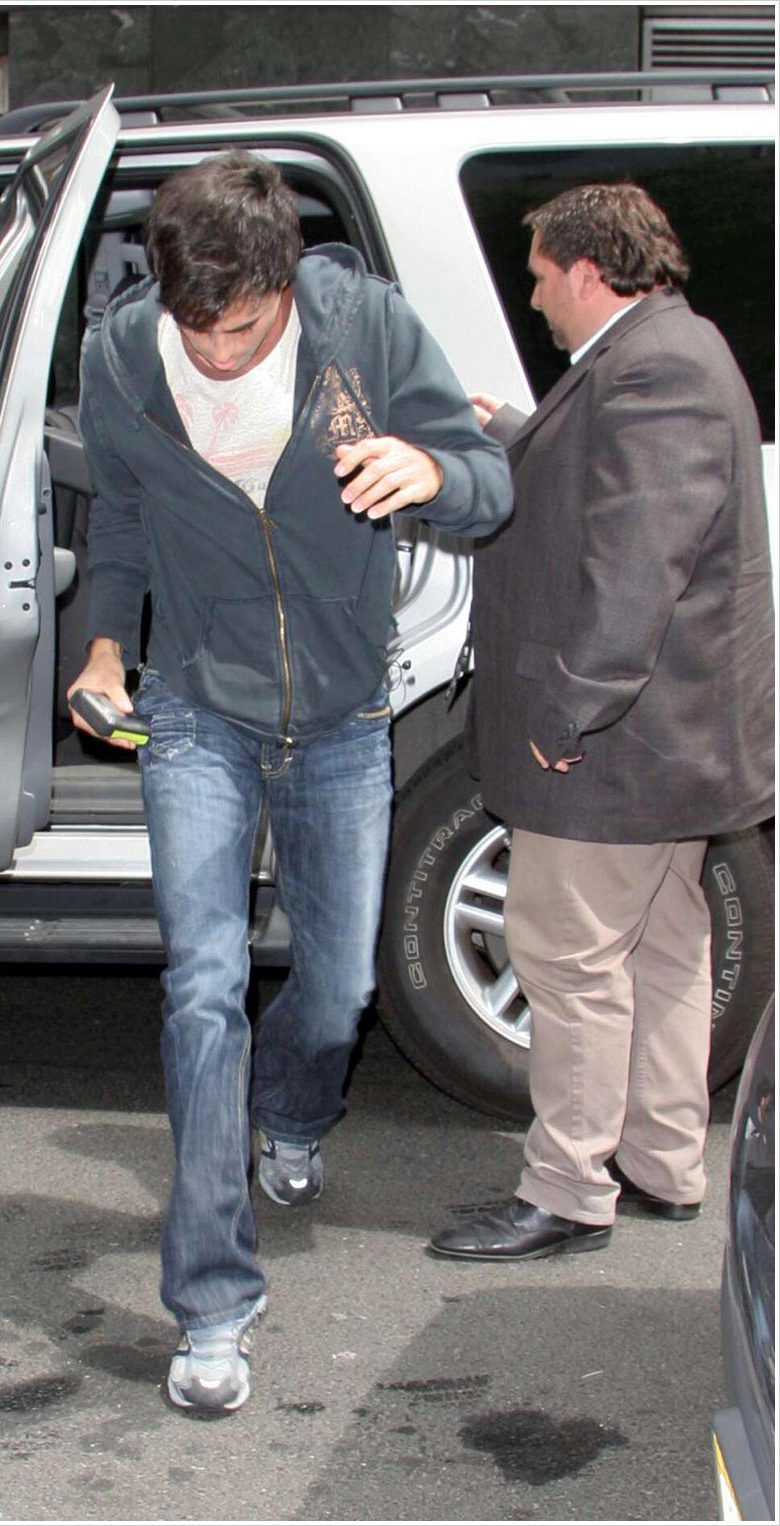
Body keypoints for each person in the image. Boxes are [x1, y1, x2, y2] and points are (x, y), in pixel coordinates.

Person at [69, 150, 512, 1410]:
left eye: (245, 329)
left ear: (286, 281)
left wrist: (433, 473)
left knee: (338, 990)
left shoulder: (363, 327)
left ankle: (294, 1112)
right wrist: (102, 646)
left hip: (340, 715)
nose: (217, 355)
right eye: (195, 328)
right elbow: (121, 519)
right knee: (203, 985)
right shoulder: (119, 359)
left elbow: (489, 485)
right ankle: (212, 1304)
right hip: (195, 705)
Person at [429, 183, 774, 1265]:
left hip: (619, 745)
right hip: (668, 746)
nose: (535, 299)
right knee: (666, 946)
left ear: (587, 270)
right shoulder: (664, 352)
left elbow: (638, 560)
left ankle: (568, 1190)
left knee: (567, 958)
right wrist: (512, 430)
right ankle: (662, 1163)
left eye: (539, 277)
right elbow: (610, 484)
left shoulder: (657, 367)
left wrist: (574, 704)